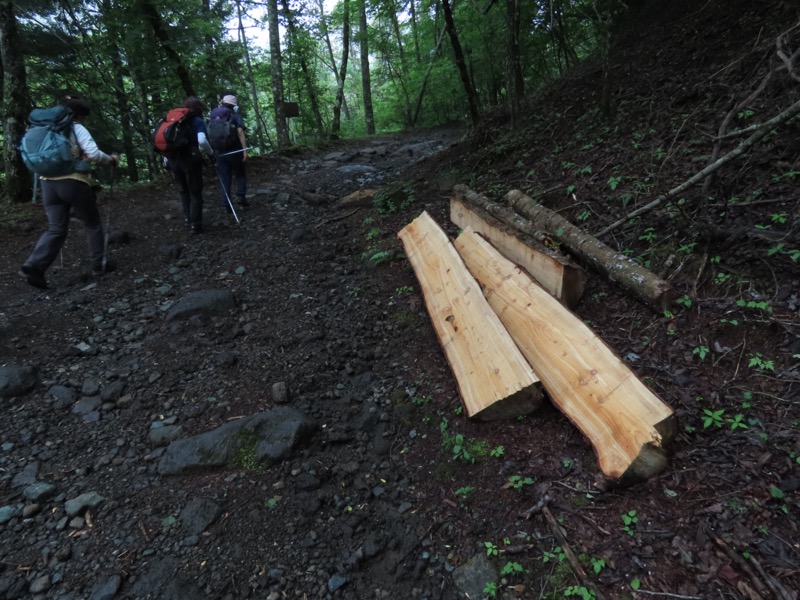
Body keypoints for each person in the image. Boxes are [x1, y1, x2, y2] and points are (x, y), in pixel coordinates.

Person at [20, 94, 120, 290]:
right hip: (74, 182)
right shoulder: (76, 127)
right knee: (92, 224)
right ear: (78, 115)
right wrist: (111, 159)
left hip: (48, 185)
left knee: (56, 229)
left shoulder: (42, 128)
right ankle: (98, 265)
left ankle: (34, 265)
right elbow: (92, 153)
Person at [167, 96, 214, 234]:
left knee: (183, 191)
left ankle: (187, 220)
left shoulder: (174, 120)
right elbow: (202, 140)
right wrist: (211, 154)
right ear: (199, 108)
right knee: (195, 192)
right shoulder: (197, 121)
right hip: (191, 159)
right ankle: (196, 224)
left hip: (174, 160)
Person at [213, 94, 249, 210]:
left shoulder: (215, 116)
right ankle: (240, 196)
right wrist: (244, 150)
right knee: (240, 174)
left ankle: (226, 204)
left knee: (225, 177)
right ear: (233, 105)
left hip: (219, 152)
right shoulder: (236, 116)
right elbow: (240, 133)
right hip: (235, 150)